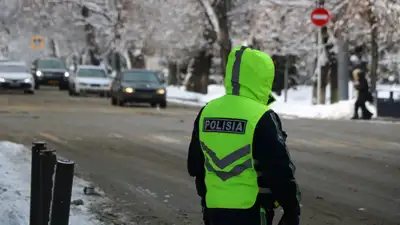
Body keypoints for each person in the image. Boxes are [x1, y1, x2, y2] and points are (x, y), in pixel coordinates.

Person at [187, 46, 301, 225]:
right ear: (262, 78)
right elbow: (279, 169)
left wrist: (207, 200)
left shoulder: (207, 111)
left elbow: (194, 165)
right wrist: (291, 209)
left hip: (214, 209)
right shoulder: (262, 116)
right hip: (252, 211)